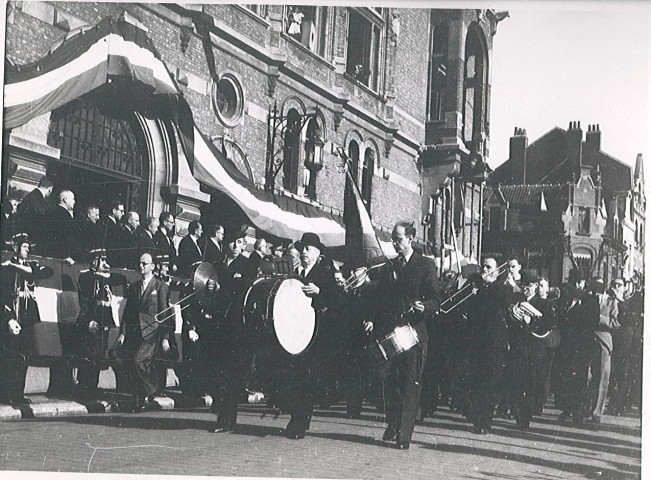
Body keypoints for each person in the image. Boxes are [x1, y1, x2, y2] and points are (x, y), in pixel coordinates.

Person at [364, 222, 440, 449]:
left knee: (409, 385)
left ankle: (404, 435)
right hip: (391, 333)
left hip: (414, 334)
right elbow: (380, 299)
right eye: (393, 239)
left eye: (398, 239)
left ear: (410, 238)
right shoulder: (389, 267)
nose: (394, 243)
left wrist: (424, 307)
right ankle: (394, 421)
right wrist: (371, 319)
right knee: (386, 380)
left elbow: (436, 299)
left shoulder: (425, 265)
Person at [278, 232, 337, 440]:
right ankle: (298, 417)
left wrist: (320, 291)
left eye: (308, 249)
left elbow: (337, 298)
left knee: (306, 377)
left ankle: (300, 422)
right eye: (302, 249)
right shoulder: (294, 272)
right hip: (294, 331)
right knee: (293, 375)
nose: (304, 252)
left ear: (318, 254)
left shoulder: (325, 273)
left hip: (314, 333)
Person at [211, 227, 255, 433]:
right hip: (219, 326)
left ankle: (228, 419)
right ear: (225, 244)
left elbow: (245, 292)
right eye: (233, 242)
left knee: (231, 374)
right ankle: (223, 416)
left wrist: (222, 289)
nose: (237, 247)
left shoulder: (247, 265)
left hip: (236, 327)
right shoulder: (216, 266)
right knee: (220, 372)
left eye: (240, 243)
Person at [116, 252, 173, 411]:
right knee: (133, 364)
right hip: (135, 332)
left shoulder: (160, 287)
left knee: (138, 361)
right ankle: (142, 399)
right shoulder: (134, 287)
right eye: (139, 263)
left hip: (152, 333)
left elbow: (164, 314)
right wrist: (122, 333)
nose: (141, 266)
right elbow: (127, 313)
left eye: (144, 263)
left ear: (153, 266)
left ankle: (150, 392)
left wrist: (165, 338)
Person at [0, 234, 52, 405]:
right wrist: (9, 319)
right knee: (12, 358)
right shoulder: (6, 269)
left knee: (24, 357)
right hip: (14, 316)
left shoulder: (29, 266)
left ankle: (18, 393)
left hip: (27, 317)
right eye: (24, 247)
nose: (27, 250)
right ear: (15, 248)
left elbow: (47, 272)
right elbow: (4, 297)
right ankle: (8, 394)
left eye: (28, 247)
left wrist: (20, 268)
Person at [465, 256, 512, 434]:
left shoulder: (502, 289)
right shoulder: (478, 289)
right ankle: (478, 419)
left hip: (494, 345)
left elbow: (502, 300)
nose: (484, 270)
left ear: (497, 271)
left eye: (488, 267)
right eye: (483, 267)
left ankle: (486, 421)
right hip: (478, 343)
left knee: (490, 384)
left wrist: (487, 285)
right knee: (477, 382)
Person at [75, 249, 127, 399]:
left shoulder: (105, 278)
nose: (106, 263)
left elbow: (121, 278)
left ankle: (92, 387)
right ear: (93, 261)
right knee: (89, 355)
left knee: (99, 355)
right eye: (102, 260)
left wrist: (105, 274)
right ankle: (84, 387)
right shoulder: (86, 277)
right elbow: (86, 302)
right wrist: (89, 320)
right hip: (91, 320)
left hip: (104, 320)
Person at [509, 277, 558, 430]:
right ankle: (517, 412)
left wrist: (531, 321)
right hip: (518, 348)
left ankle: (524, 417)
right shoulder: (517, 300)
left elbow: (549, 323)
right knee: (518, 382)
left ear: (536, 286)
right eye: (525, 285)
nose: (526, 288)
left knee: (529, 384)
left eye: (530, 285)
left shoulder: (544, 303)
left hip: (534, 350)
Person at [555, 268, 594, 425]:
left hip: (582, 347)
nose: (578, 284)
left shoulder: (590, 300)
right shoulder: (565, 299)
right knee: (565, 379)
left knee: (579, 380)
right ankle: (567, 408)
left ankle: (577, 412)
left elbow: (591, 321)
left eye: (580, 282)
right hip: (566, 346)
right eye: (575, 282)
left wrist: (580, 301)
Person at [586, 277, 621, 423]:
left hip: (603, 343)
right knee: (587, 377)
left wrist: (599, 318)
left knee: (601, 378)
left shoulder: (611, 303)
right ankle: (586, 408)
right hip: (588, 341)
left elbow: (616, 323)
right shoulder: (588, 301)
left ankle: (597, 412)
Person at [15, 176, 53, 253]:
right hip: (33, 239)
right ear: (50, 189)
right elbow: (40, 218)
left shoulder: (31, 195)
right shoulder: (38, 199)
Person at [46, 189, 78, 264]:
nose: (74, 201)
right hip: (63, 259)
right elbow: (63, 238)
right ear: (65, 200)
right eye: (73, 199)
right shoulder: (64, 216)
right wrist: (65, 256)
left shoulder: (52, 212)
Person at [102, 200, 126, 267]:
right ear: (114, 211)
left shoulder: (114, 224)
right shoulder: (108, 224)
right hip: (110, 260)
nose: (123, 213)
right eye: (121, 211)